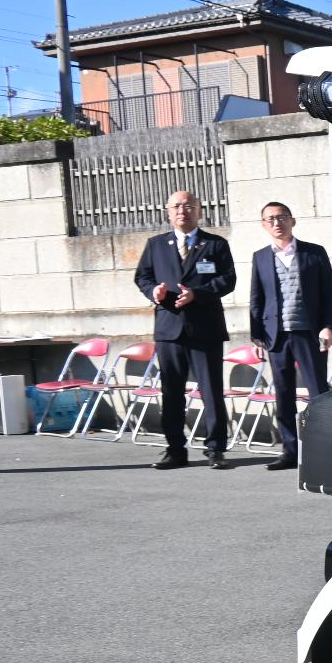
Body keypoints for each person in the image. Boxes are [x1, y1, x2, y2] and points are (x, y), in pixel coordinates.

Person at [132, 190, 238, 469]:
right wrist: (152, 291)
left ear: (199, 211)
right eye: (177, 206)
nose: (183, 210)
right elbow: (142, 276)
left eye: (189, 206)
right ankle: (175, 450)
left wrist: (198, 294)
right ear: (168, 212)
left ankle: (215, 448)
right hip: (169, 328)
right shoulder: (155, 245)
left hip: (205, 328)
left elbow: (228, 280)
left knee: (211, 391)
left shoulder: (215, 244)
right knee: (172, 391)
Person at [248, 201, 332, 471]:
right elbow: (256, 298)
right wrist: (256, 337)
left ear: (292, 221)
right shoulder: (260, 257)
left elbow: (329, 294)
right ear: (264, 225)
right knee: (283, 395)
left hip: (309, 333)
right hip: (275, 336)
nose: (277, 223)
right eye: (270, 219)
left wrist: (327, 325)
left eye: (282, 217)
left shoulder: (314, 253)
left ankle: (327, 450)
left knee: (318, 393)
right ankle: (290, 451)